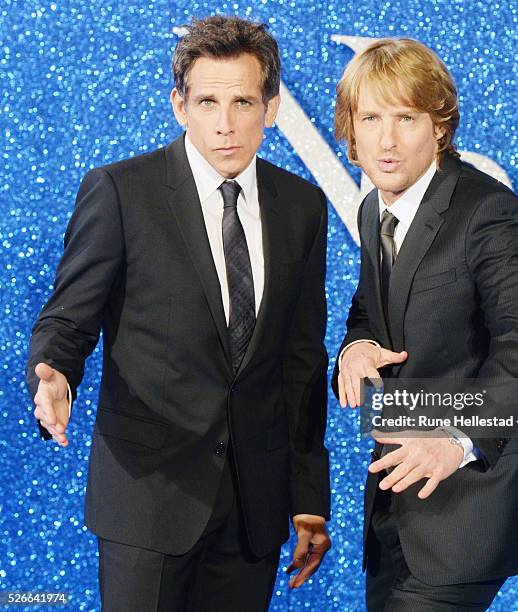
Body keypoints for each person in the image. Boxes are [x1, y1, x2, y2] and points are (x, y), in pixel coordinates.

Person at [27, 15, 331, 611]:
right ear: (178, 105)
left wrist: (308, 496)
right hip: (147, 494)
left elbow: (301, 361)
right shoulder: (121, 191)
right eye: (207, 101)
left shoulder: (302, 206)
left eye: (243, 101)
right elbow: (68, 318)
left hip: (254, 508)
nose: (225, 124)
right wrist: (55, 372)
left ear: (271, 108)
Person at [332, 38, 518, 611]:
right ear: (350, 130)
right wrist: (356, 346)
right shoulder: (374, 207)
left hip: (472, 504)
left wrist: (458, 440)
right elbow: (371, 309)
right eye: (371, 118)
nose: (385, 139)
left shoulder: (489, 211)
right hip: (395, 504)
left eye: (405, 118)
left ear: (439, 126)